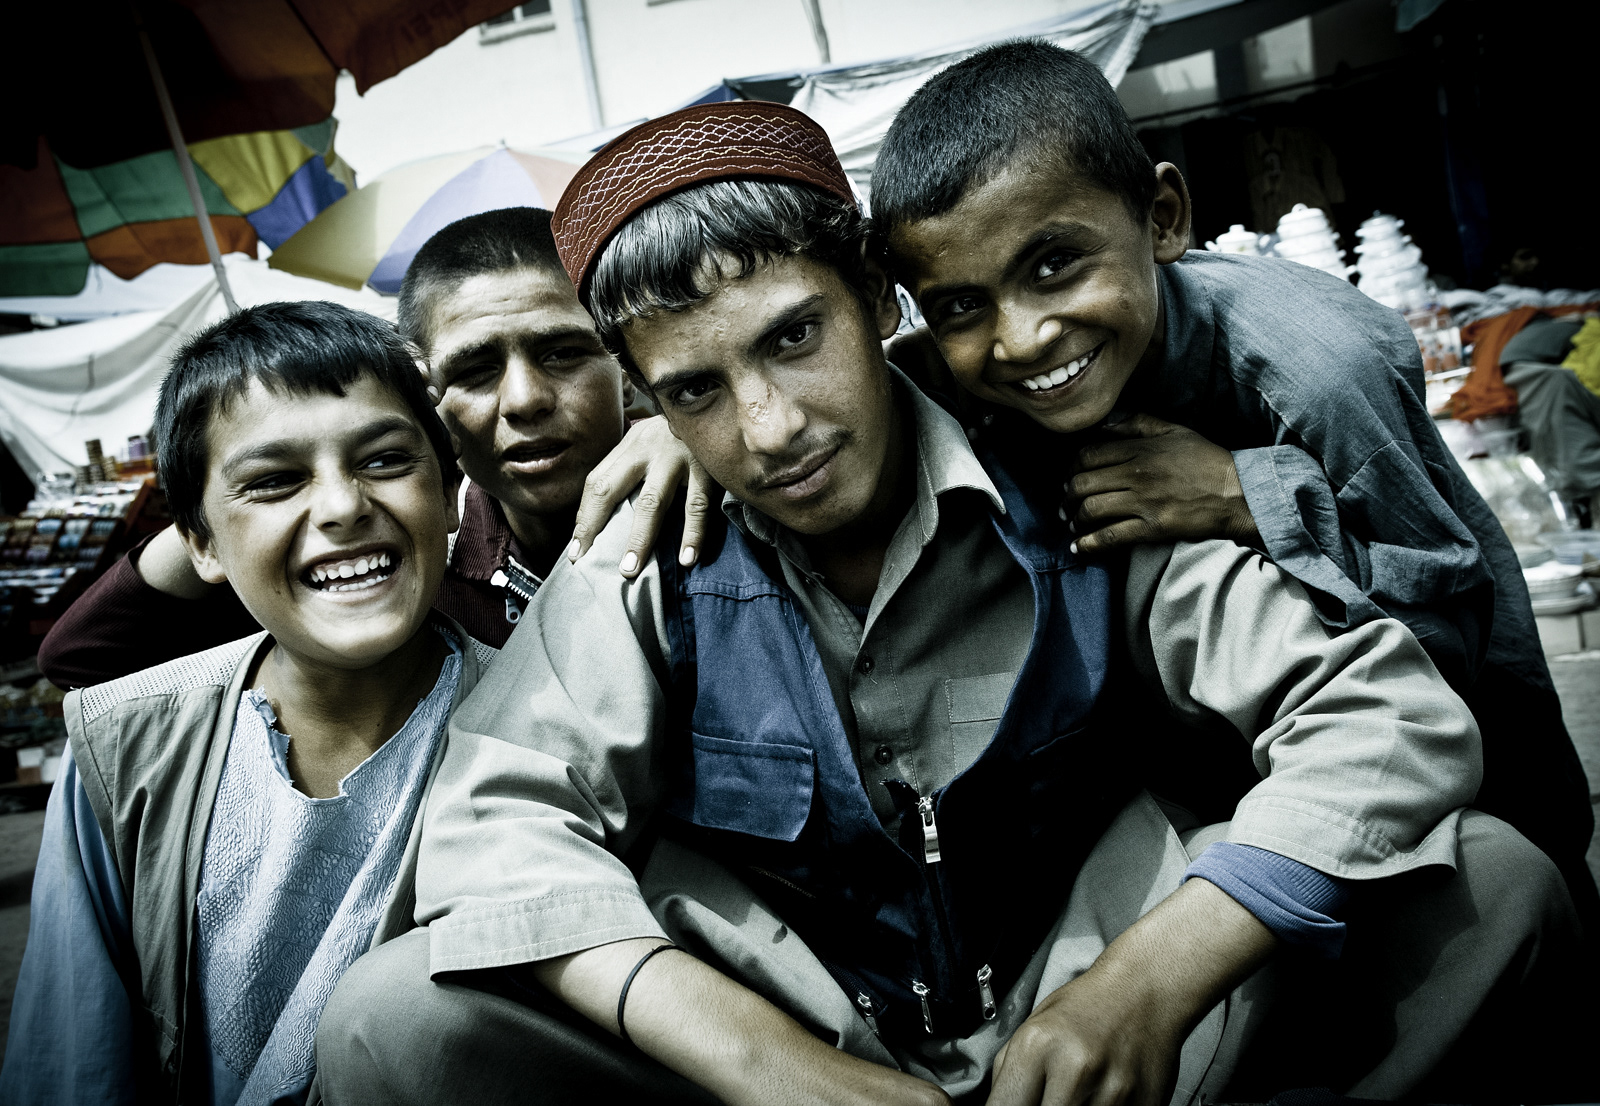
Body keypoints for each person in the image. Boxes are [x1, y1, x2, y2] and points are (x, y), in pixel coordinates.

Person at [314, 103, 1587, 1106]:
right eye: (696, 389)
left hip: (1106, 1011)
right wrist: (766, 1065)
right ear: (646, 400)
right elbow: (491, 831)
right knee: (391, 1018)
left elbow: (1380, 716)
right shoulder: (648, 555)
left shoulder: (1075, 484)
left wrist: (1146, 984)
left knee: (1495, 887)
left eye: (794, 337)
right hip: (793, 1027)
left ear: (879, 301)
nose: (770, 428)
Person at [573, 41, 1596, 926]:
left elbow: (1443, 612)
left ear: (1163, 216)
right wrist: (681, 428)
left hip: (1450, 749)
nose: (1022, 339)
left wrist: (1252, 496)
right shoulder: (967, 366)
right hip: (1238, 773)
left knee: (1507, 894)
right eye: (962, 305)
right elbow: (862, 386)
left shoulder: (1316, 368)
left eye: (1055, 265)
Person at [0, 301, 499, 1105]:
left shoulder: (543, 727)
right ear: (199, 542)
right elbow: (73, 1064)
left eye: (383, 460)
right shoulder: (124, 748)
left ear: (449, 495)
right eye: (273, 481)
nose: (342, 506)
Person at [35, 207, 698, 683]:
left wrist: (697, 429)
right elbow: (83, 658)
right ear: (429, 397)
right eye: (475, 370)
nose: (524, 399)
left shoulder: (712, 501)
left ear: (625, 367)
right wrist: (229, 511)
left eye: (563, 353)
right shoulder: (398, 571)